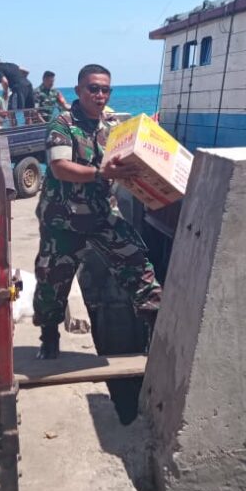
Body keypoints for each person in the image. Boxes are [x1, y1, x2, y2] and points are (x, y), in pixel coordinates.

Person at [33, 63, 162, 359]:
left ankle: (156, 332)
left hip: (103, 215)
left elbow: (129, 156)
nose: (99, 95)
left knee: (138, 264)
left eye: (105, 90)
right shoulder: (62, 124)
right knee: (52, 282)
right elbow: (60, 167)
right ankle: (49, 337)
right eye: (93, 88)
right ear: (79, 90)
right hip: (63, 219)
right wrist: (101, 173)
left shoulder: (113, 126)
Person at [0, 51, 34, 116]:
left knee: (10, 111)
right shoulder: (11, 65)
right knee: (28, 110)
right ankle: (30, 122)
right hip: (28, 85)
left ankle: (13, 123)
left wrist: (5, 92)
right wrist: (21, 80)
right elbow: (26, 71)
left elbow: (5, 81)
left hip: (18, 88)